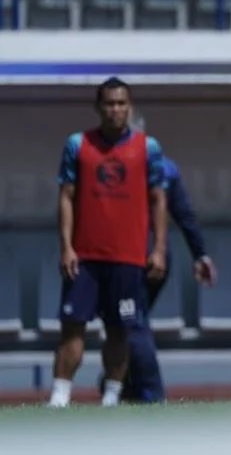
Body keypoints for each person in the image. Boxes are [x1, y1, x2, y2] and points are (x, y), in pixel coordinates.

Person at [48, 77, 168, 408]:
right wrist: (66, 246)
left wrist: (157, 249)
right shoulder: (78, 144)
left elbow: (159, 200)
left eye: (121, 103)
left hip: (128, 257)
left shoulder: (148, 148)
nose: (116, 110)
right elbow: (66, 197)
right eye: (109, 103)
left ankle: (112, 396)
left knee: (119, 330)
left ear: (129, 107)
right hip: (84, 257)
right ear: (98, 107)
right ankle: (60, 395)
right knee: (72, 326)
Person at [112, 111, 217, 403]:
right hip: (154, 257)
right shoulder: (166, 165)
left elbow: (182, 213)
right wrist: (200, 255)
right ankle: (130, 386)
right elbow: (185, 215)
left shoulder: (130, 165)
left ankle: (151, 392)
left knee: (131, 319)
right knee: (130, 318)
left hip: (137, 256)